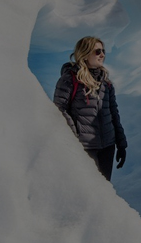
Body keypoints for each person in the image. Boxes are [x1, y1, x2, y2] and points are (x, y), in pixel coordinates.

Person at [53, 36, 128, 181]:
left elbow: (114, 113)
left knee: (104, 192)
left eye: (103, 51)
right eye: (98, 51)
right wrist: (74, 139)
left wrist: (121, 144)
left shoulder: (106, 82)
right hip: (84, 148)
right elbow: (59, 109)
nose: (102, 55)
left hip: (107, 146)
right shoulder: (70, 79)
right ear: (85, 54)